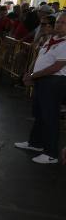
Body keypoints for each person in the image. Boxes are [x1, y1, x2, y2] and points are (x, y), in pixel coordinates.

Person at [15, 13, 66, 164]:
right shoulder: (51, 39)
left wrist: (34, 75)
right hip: (41, 80)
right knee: (39, 114)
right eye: (58, 22)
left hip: (55, 81)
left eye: (63, 23)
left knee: (50, 117)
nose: (59, 25)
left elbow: (56, 67)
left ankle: (51, 153)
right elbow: (39, 58)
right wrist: (30, 74)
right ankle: (35, 143)